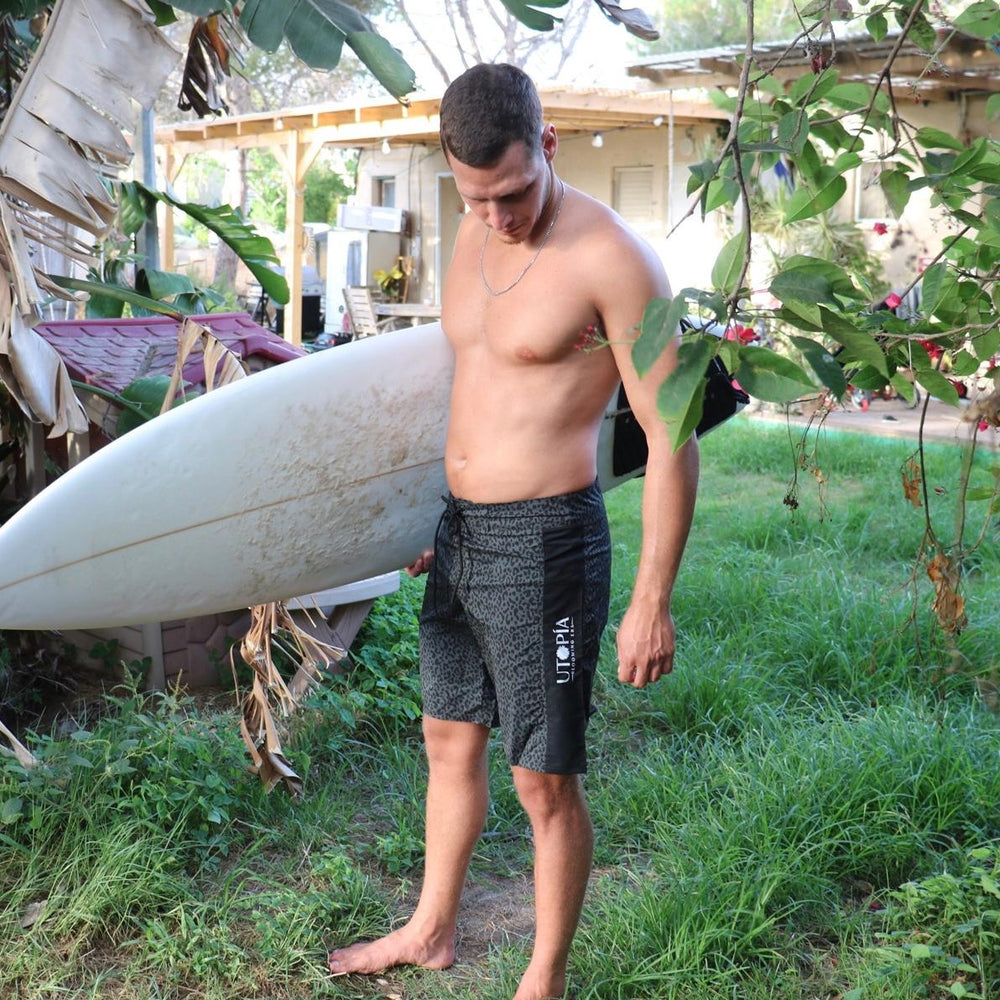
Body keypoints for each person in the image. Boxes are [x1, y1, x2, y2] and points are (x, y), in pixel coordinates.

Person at [328, 63, 699, 1000]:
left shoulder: (616, 260)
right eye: (476, 196)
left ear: (552, 148)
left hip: (548, 546)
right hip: (460, 534)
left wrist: (652, 599)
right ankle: (432, 927)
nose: (498, 216)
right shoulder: (471, 230)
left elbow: (672, 433)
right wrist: (422, 515)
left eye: (516, 192)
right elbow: (465, 386)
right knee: (448, 739)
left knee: (544, 778)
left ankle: (545, 977)